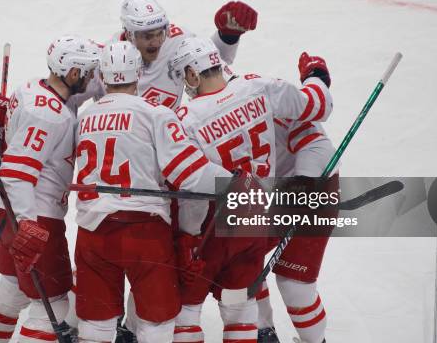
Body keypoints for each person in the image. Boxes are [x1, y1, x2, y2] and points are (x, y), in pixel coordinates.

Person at [168, 37, 333, 343]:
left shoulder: (187, 120)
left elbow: (191, 189)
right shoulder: (259, 88)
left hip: (234, 218)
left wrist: (188, 238)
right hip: (261, 214)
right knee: (241, 291)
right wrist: (317, 77)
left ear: (192, 74)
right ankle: (261, 330)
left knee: (187, 304)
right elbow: (319, 104)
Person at [73, 41, 233, 343]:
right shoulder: (154, 113)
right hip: (144, 234)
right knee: (156, 323)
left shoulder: (84, 118)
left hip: (93, 234)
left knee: (95, 326)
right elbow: (189, 174)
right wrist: (232, 183)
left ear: (103, 77)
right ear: (137, 72)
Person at [0, 36, 100, 342]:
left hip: (0, 205)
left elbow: (9, 142)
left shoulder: (30, 88)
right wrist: (28, 224)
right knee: (53, 308)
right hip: (33, 214)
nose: (92, 78)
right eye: (89, 72)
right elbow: (17, 174)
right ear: (73, 74)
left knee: (12, 290)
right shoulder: (50, 115)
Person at [255, 62, 338, 343]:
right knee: (238, 264)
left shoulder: (272, 105)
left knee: (294, 285)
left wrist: (300, 190)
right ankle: (262, 332)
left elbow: (319, 146)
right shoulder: (210, 112)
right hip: (262, 194)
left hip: (309, 188)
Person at [69, 0, 258, 111]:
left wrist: (228, 35)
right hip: (127, 156)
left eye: (160, 32)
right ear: (129, 34)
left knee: (231, 178)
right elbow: (67, 100)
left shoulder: (177, 41)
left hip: (171, 150)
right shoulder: (106, 58)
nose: (156, 41)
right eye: (147, 35)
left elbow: (213, 65)